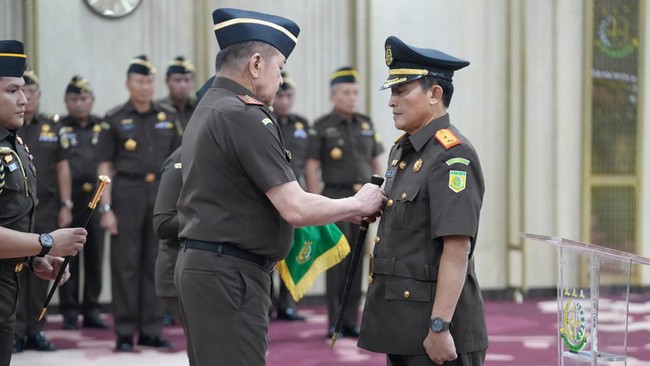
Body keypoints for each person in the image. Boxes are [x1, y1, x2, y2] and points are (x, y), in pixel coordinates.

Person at [175, 8, 385, 366]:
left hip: (212, 267)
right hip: (231, 273)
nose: (281, 81)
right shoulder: (244, 115)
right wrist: (356, 203)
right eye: (280, 69)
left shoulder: (212, 106)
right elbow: (296, 208)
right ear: (256, 64)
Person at [357, 36, 488, 366]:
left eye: (401, 91)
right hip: (404, 325)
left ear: (435, 94)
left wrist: (440, 326)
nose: (391, 102)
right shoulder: (404, 151)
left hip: (439, 332)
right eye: (391, 92)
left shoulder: (453, 156)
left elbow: (457, 248)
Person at [0, 39, 87, 366]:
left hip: (8, 290)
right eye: (12, 91)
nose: (24, 99)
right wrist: (45, 243)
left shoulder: (14, 144)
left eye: (23, 89)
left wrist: (36, 258)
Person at [96, 55, 180, 352]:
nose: (145, 87)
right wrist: (105, 208)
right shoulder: (114, 118)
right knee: (126, 264)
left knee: (157, 262)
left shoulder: (167, 116)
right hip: (126, 193)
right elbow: (105, 166)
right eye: (139, 82)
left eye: (149, 82)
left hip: (161, 192)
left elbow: (179, 163)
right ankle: (125, 331)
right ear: (128, 84)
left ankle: (151, 329)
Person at [304, 66, 384, 338]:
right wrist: (316, 204)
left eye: (355, 92)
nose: (352, 98)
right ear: (333, 96)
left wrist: (381, 192)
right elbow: (312, 166)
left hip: (363, 201)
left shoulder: (365, 123)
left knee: (358, 262)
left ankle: (351, 319)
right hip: (335, 200)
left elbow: (375, 161)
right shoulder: (322, 127)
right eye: (346, 93)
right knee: (336, 262)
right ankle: (334, 320)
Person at [14, 67, 74, 353]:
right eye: (18, 91)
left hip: (47, 207)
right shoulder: (10, 128)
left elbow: (63, 167)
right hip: (17, 210)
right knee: (15, 267)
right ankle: (14, 329)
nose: (27, 98)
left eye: (31, 92)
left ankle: (35, 329)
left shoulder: (52, 125)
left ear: (37, 95)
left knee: (43, 267)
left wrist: (66, 204)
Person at [58, 76, 108, 330]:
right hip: (70, 198)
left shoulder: (102, 126)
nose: (79, 104)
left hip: (97, 196)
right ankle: (68, 310)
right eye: (74, 99)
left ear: (92, 101)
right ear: (66, 101)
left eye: (84, 98)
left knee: (95, 256)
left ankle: (91, 308)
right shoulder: (59, 127)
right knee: (68, 254)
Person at [269, 71, 308, 321]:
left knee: (292, 251)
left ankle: (287, 303)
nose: (284, 101)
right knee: (270, 250)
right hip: (271, 195)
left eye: (288, 96)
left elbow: (311, 163)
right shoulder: (263, 121)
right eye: (280, 96)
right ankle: (269, 302)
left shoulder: (302, 124)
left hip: (298, 194)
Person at [159, 56, 197, 129]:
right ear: (167, 82)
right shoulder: (158, 110)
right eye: (177, 80)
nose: (183, 85)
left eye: (187, 80)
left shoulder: (200, 108)